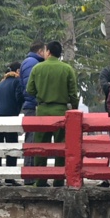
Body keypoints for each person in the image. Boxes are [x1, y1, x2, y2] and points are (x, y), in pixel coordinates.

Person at [24, 40, 77, 174]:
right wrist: (73, 108)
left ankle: (40, 179)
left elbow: (29, 90)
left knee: (41, 146)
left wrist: (42, 93)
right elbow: (73, 94)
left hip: (42, 111)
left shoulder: (37, 68)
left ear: (48, 52)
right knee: (61, 146)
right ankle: (59, 179)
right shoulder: (67, 69)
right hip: (60, 111)